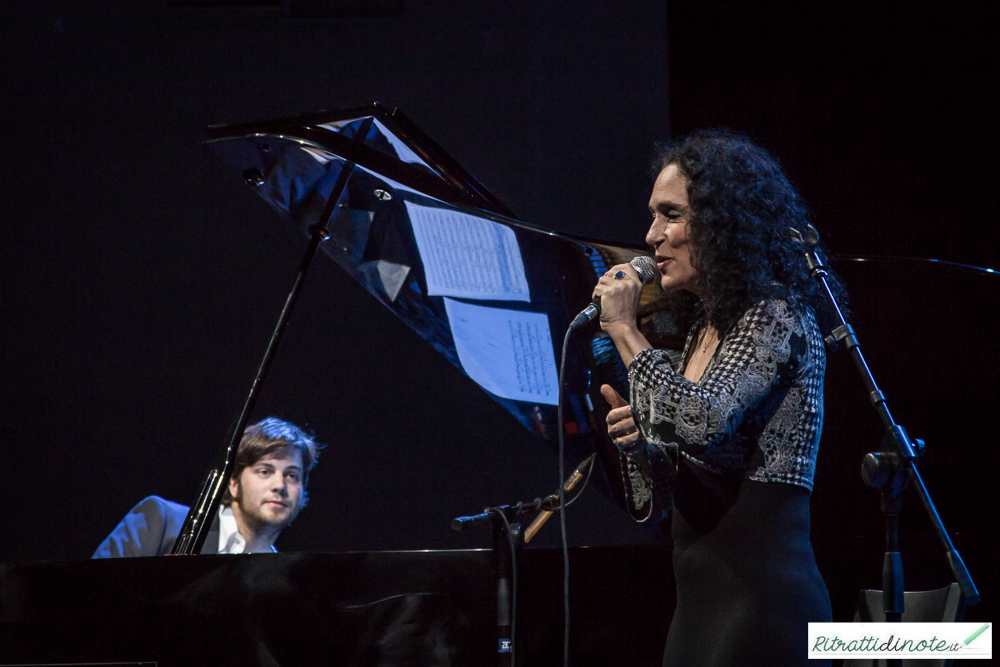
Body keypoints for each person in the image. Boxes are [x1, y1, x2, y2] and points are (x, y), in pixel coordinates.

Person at [593, 129, 845, 666]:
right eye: (653, 215)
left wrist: (624, 329)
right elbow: (676, 490)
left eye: (671, 215)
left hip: (763, 604)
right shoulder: (703, 333)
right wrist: (641, 447)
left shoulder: (775, 316)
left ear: (724, 223)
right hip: (699, 609)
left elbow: (702, 422)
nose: (652, 235)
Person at [93, 417, 322, 557]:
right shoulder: (162, 521)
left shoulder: (283, 580)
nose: (280, 485)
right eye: (265, 471)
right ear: (233, 482)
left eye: (292, 476)